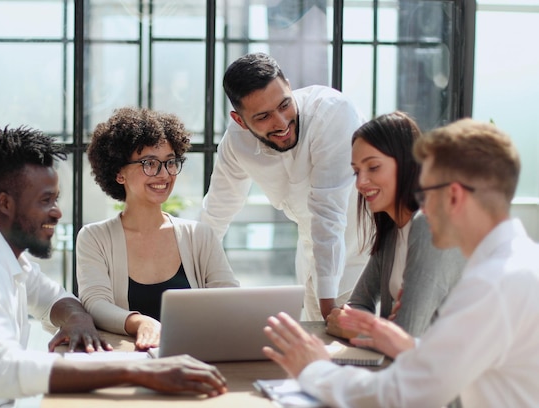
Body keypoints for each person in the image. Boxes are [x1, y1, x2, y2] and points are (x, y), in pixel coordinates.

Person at [0, 126, 227, 408]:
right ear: (5, 203)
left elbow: (52, 297)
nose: (58, 212)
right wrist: (139, 369)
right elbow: (2, 370)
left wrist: (76, 318)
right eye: (45, 200)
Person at [262, 118, 539, 407]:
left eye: (426, 192)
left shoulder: (491, 284)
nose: (421, 205)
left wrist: (314, 369)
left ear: (454, 196)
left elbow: (404, 394)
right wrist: (408, 346)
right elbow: (454, 363)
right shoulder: (516, 266)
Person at [200, 52, 368, 321]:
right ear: (239, 120)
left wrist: (329, 308)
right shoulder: (236, 143)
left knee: (358, 350)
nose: (281, 123)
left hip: (365, 245)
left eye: (284, 105)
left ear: (289, 86)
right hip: (311, 248)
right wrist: (190, 285)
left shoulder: (332, 112)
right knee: (317, 345)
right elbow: (216, 213)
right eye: (263, 117)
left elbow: (329, 213)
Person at [77, 107, 239, 350]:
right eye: (149, 163)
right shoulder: (94, 238)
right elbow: (94, 303)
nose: (164, 175)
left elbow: (230, 299)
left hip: (195, 356)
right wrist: (140, 323)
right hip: (129, 362)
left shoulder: (199, 236)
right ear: (119, 173)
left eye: (170, 163)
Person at [326, 112, 464, 339]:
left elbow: (406, 336)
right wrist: (374, 327)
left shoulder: (430, 224)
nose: (360, 182)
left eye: (373, 167)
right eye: (356, 171)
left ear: (407, 164)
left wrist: (360, 329)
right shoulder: (392, 231)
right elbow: (358, 304)